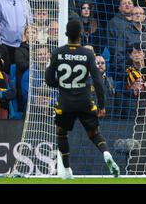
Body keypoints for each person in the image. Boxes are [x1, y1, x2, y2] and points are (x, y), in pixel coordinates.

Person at [45, 20, 120, 179]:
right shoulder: (87, 54)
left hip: (65, 103)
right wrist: (102, 105)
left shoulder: (57, 53)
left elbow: (49, 80)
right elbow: (99, 81)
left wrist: (64, 84)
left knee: (61, 133)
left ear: (66, 34)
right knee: (94, 134)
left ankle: (66, 170)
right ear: (80, 35)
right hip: (85, 101)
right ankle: (106, 154)